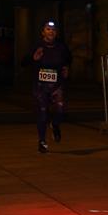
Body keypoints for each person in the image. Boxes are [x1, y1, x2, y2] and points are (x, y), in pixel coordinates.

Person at [26, 20, 71, 154]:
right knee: (42, 113)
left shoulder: (61, 47)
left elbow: (68, 59)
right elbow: (24, 61)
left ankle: (55, 125)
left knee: (60, 110)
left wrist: (66, 68)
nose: (51, 32)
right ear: (43, 32)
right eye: (48, 29)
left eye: (53, 30)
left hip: (56, 85)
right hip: (40, 86)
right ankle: (42, 142)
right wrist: (34, 58)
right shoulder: (37, 46)